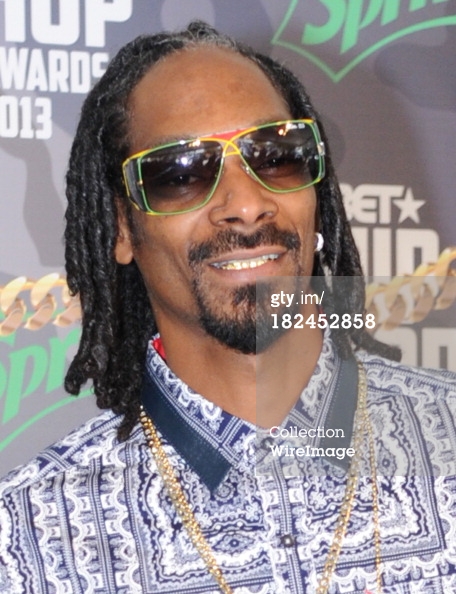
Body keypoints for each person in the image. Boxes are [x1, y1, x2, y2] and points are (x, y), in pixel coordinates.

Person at [0, 21, 455, 594]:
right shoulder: (32, 536)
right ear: (122, 227)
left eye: (276, 155)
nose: (246, 203)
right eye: (181, 173)